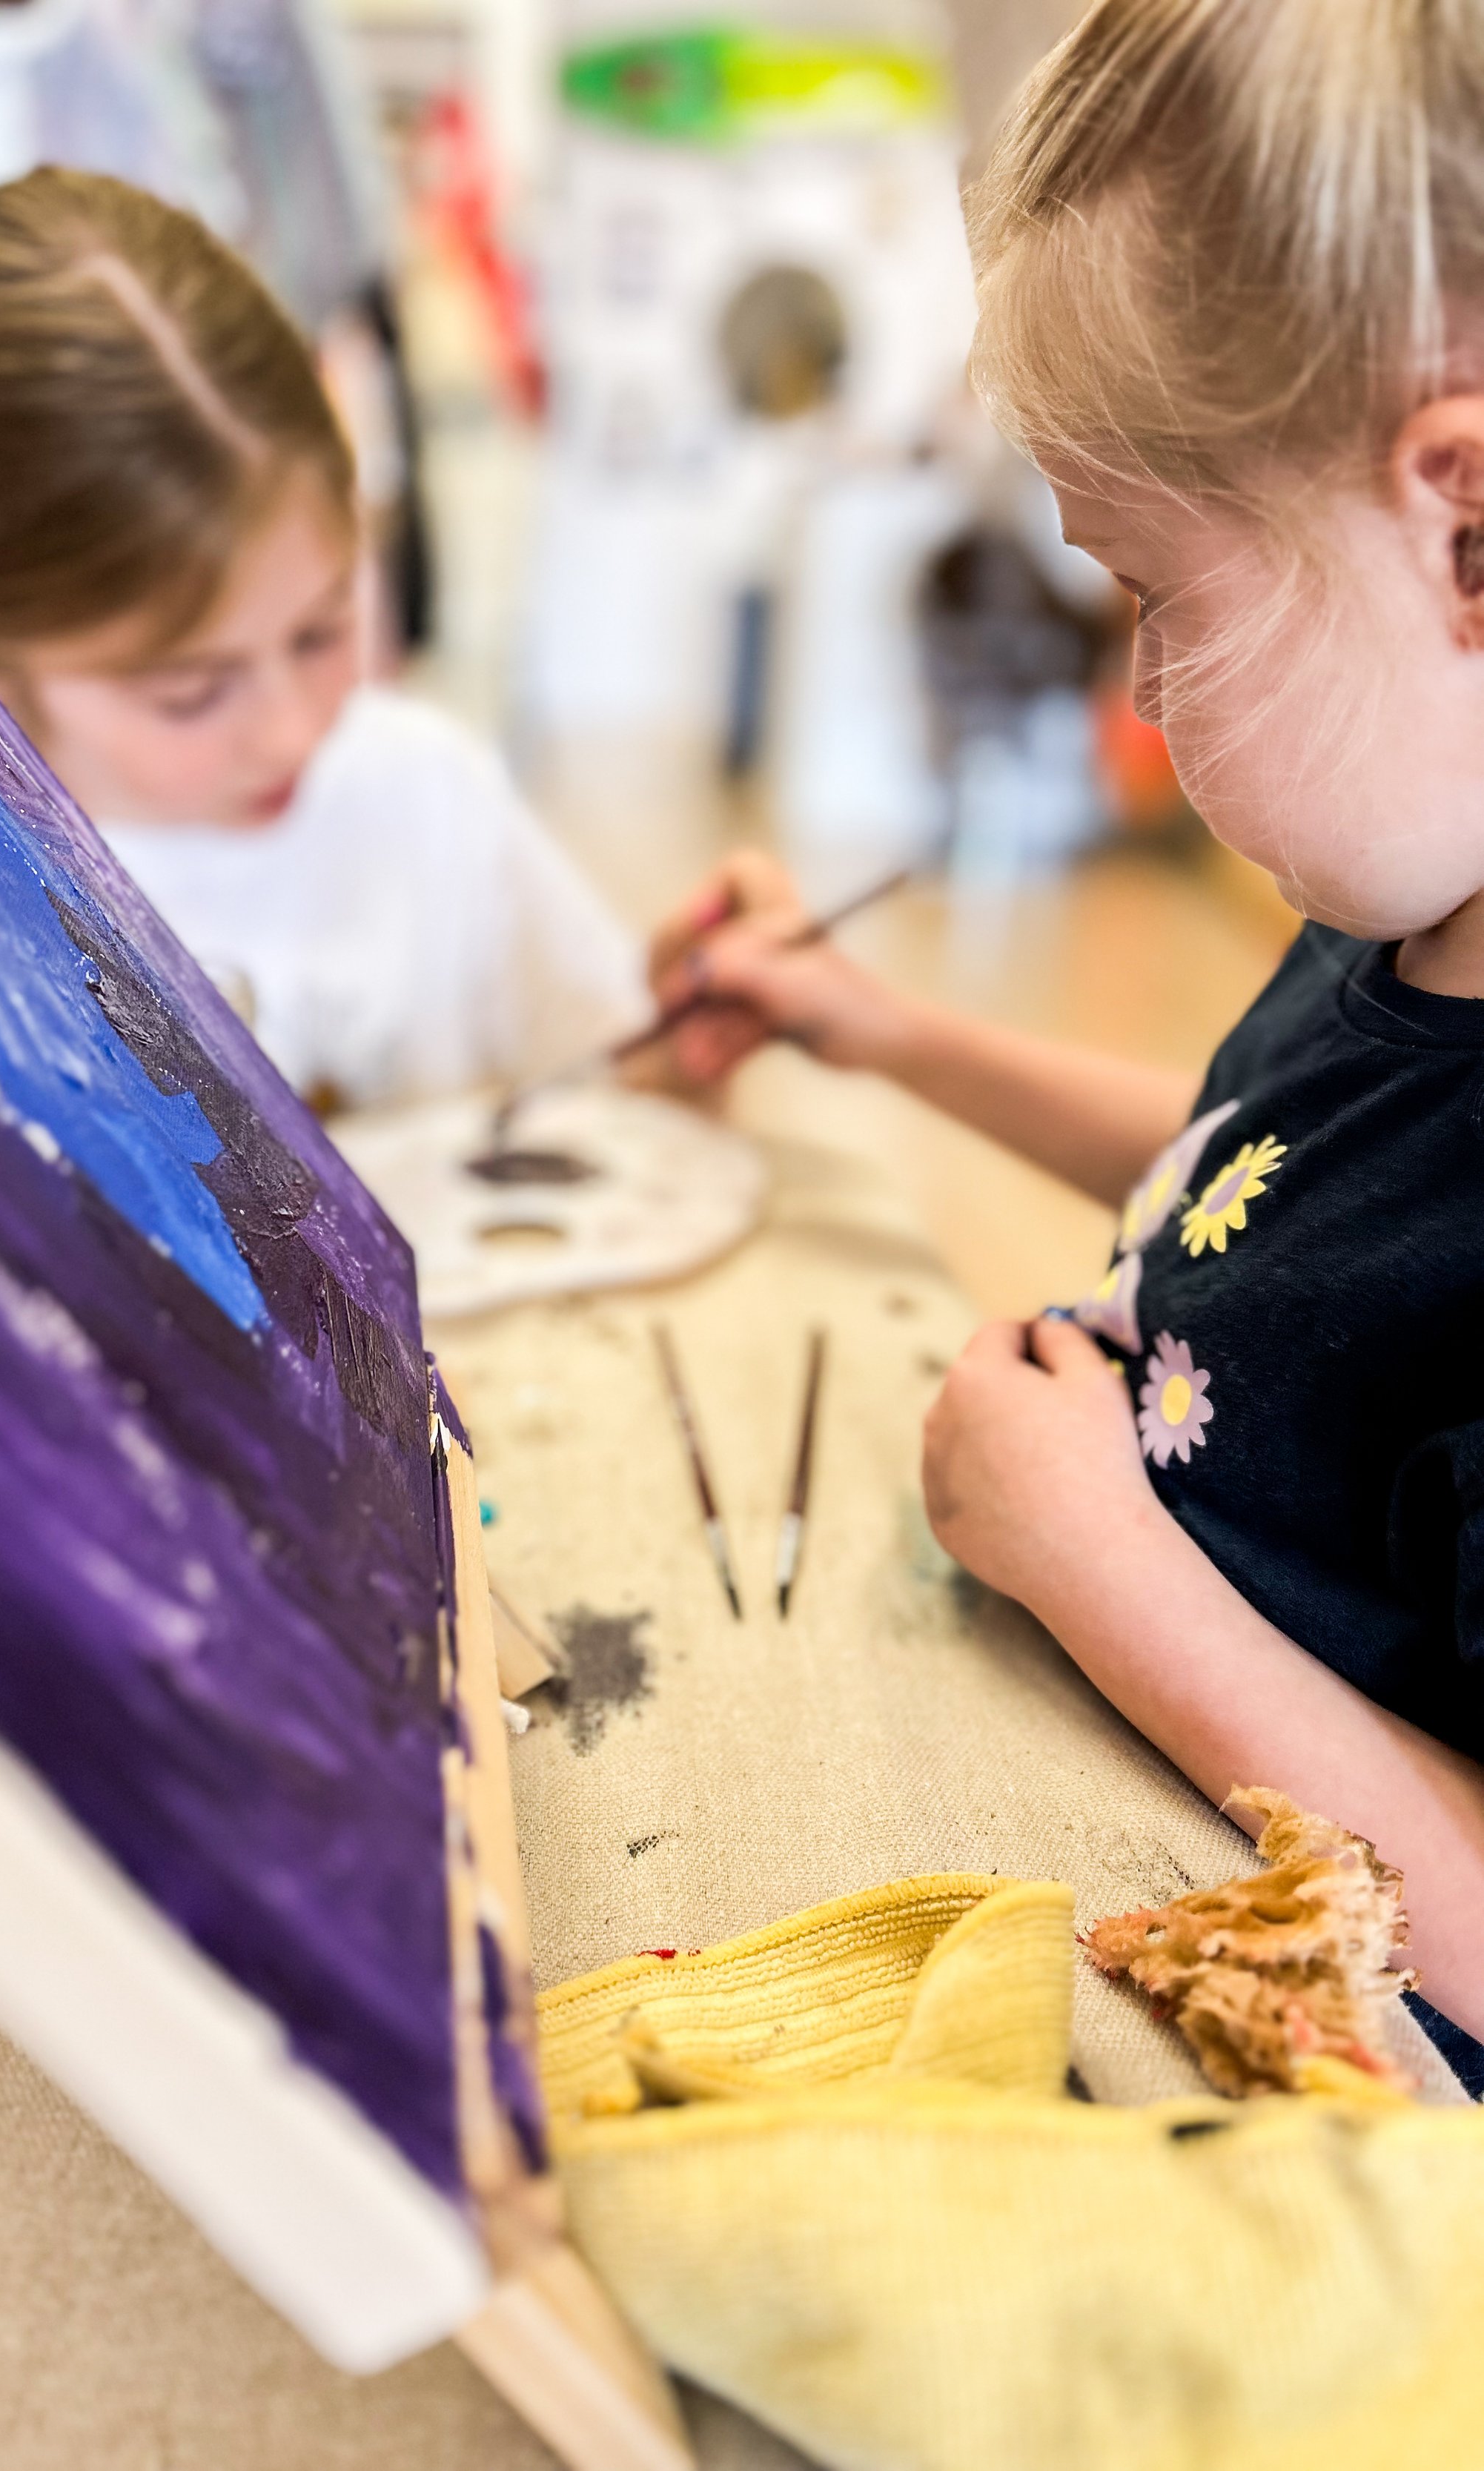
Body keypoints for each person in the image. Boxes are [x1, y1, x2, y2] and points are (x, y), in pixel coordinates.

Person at [652, 0, 1484, 2090]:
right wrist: (880, 1032)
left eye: (1154, 590)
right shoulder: (1417, 910)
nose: (1137, 683)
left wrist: (1104, 1568)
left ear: (1465, 525)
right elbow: (1267, 1199)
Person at [0, 167, 643, 1114]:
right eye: (190, 693)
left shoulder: (426, 792)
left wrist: (683, 1054)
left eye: (322, 630)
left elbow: (626, 1087)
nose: (294, 734)